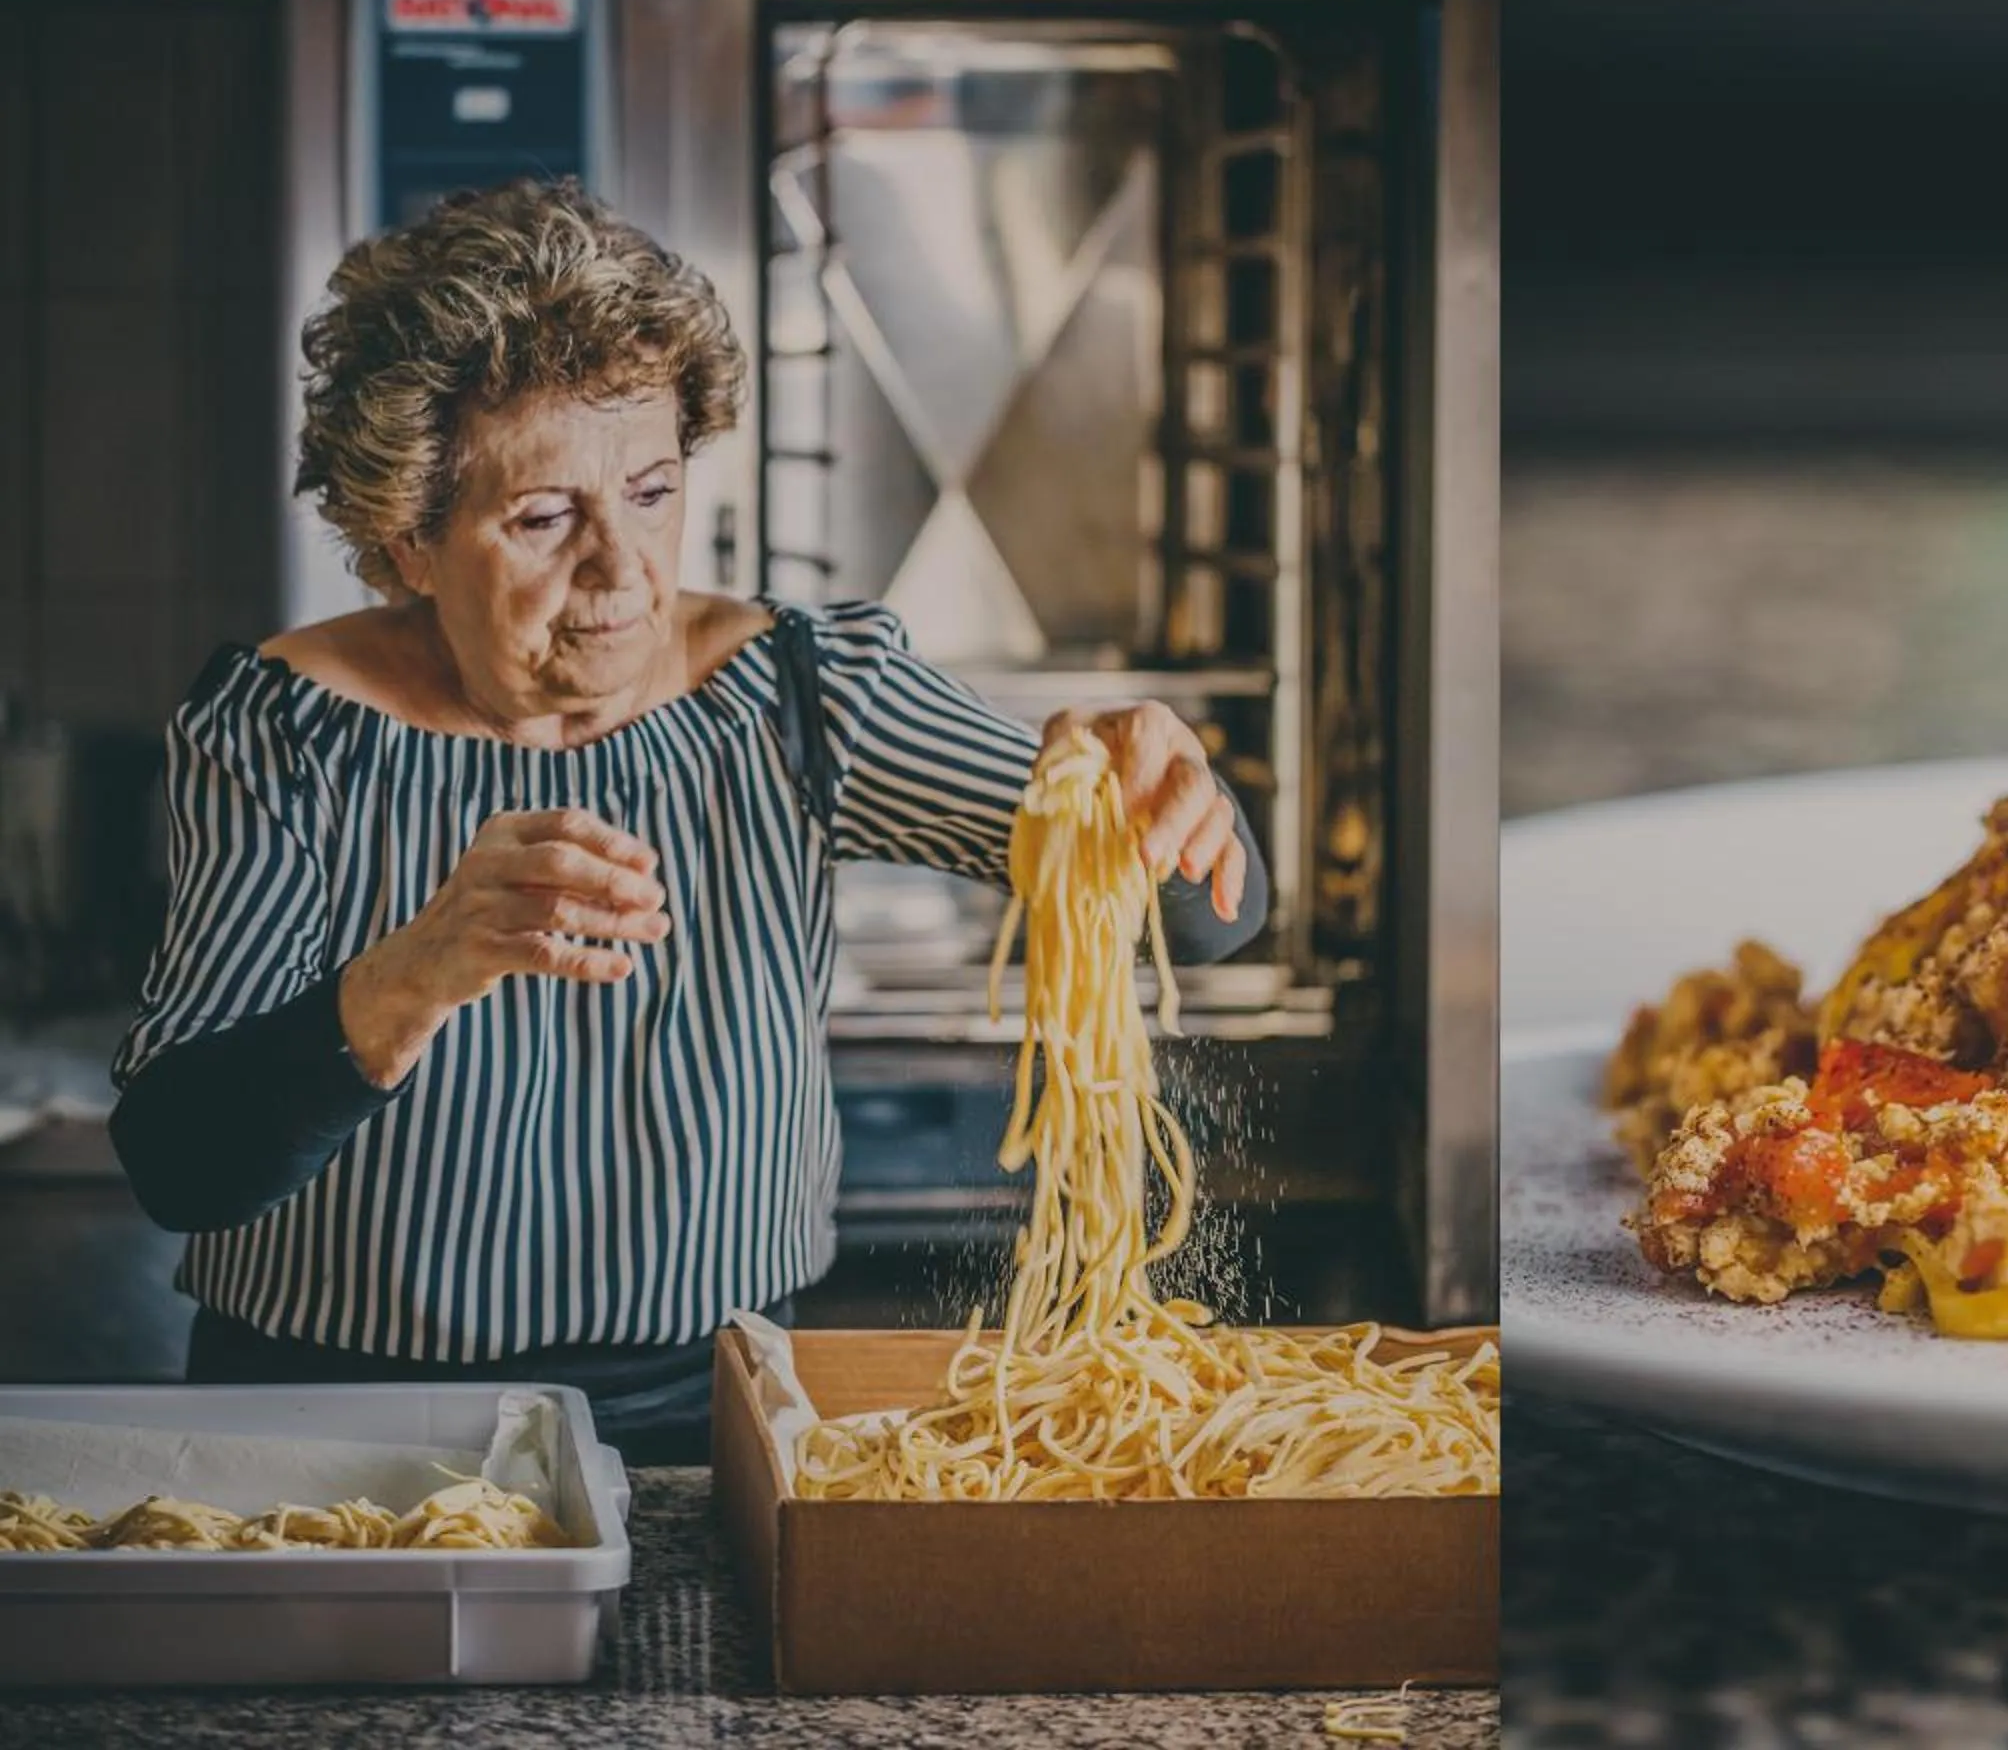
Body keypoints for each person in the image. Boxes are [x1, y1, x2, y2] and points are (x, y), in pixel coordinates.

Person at [108, 176, 1263, 1459]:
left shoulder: (806, 694)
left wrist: (1156, 796)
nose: (621, 569)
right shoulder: (284, 730)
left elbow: (1200, 924)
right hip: (325, 1420)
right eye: (545, 517)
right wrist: (418, 968)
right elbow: (181, 1160)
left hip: (708, 1410)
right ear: (406, 539)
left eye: (652, 492)